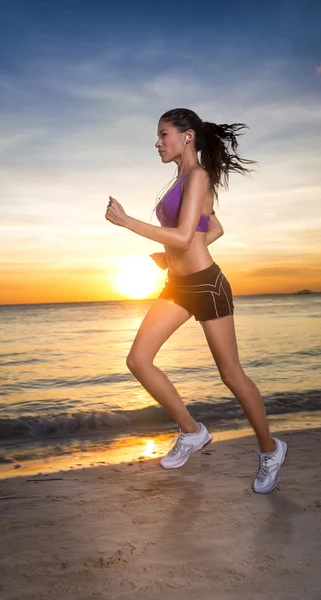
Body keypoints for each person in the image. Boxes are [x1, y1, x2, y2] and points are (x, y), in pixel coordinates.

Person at [105, 108, 287, 494]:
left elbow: (188, 236)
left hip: (207, 285)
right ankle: (192, 430)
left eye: (163, 134)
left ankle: (270, 450)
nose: (157, 143)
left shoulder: (199, 176)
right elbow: (213, 227)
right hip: (178, 285)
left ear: (187, 136)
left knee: (231, 375)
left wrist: (127, 222)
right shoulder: (182, 180)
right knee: (138, 360)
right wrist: (169, 258)